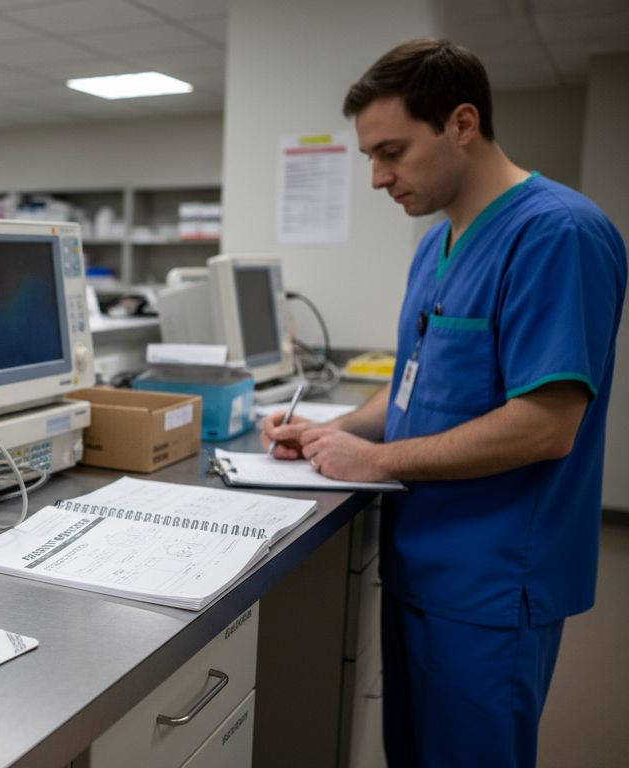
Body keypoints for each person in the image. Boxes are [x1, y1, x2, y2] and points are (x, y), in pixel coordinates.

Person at [261, 38, 626, 767]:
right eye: (369, 157)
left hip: (492, 581)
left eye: (391, 151)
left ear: (462, 123)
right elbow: (415, 384)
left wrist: (377, 459)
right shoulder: (436, 246)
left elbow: (547, 426)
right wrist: (326, 431)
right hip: (421, 563)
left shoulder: (559, 234)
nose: (376, 178)